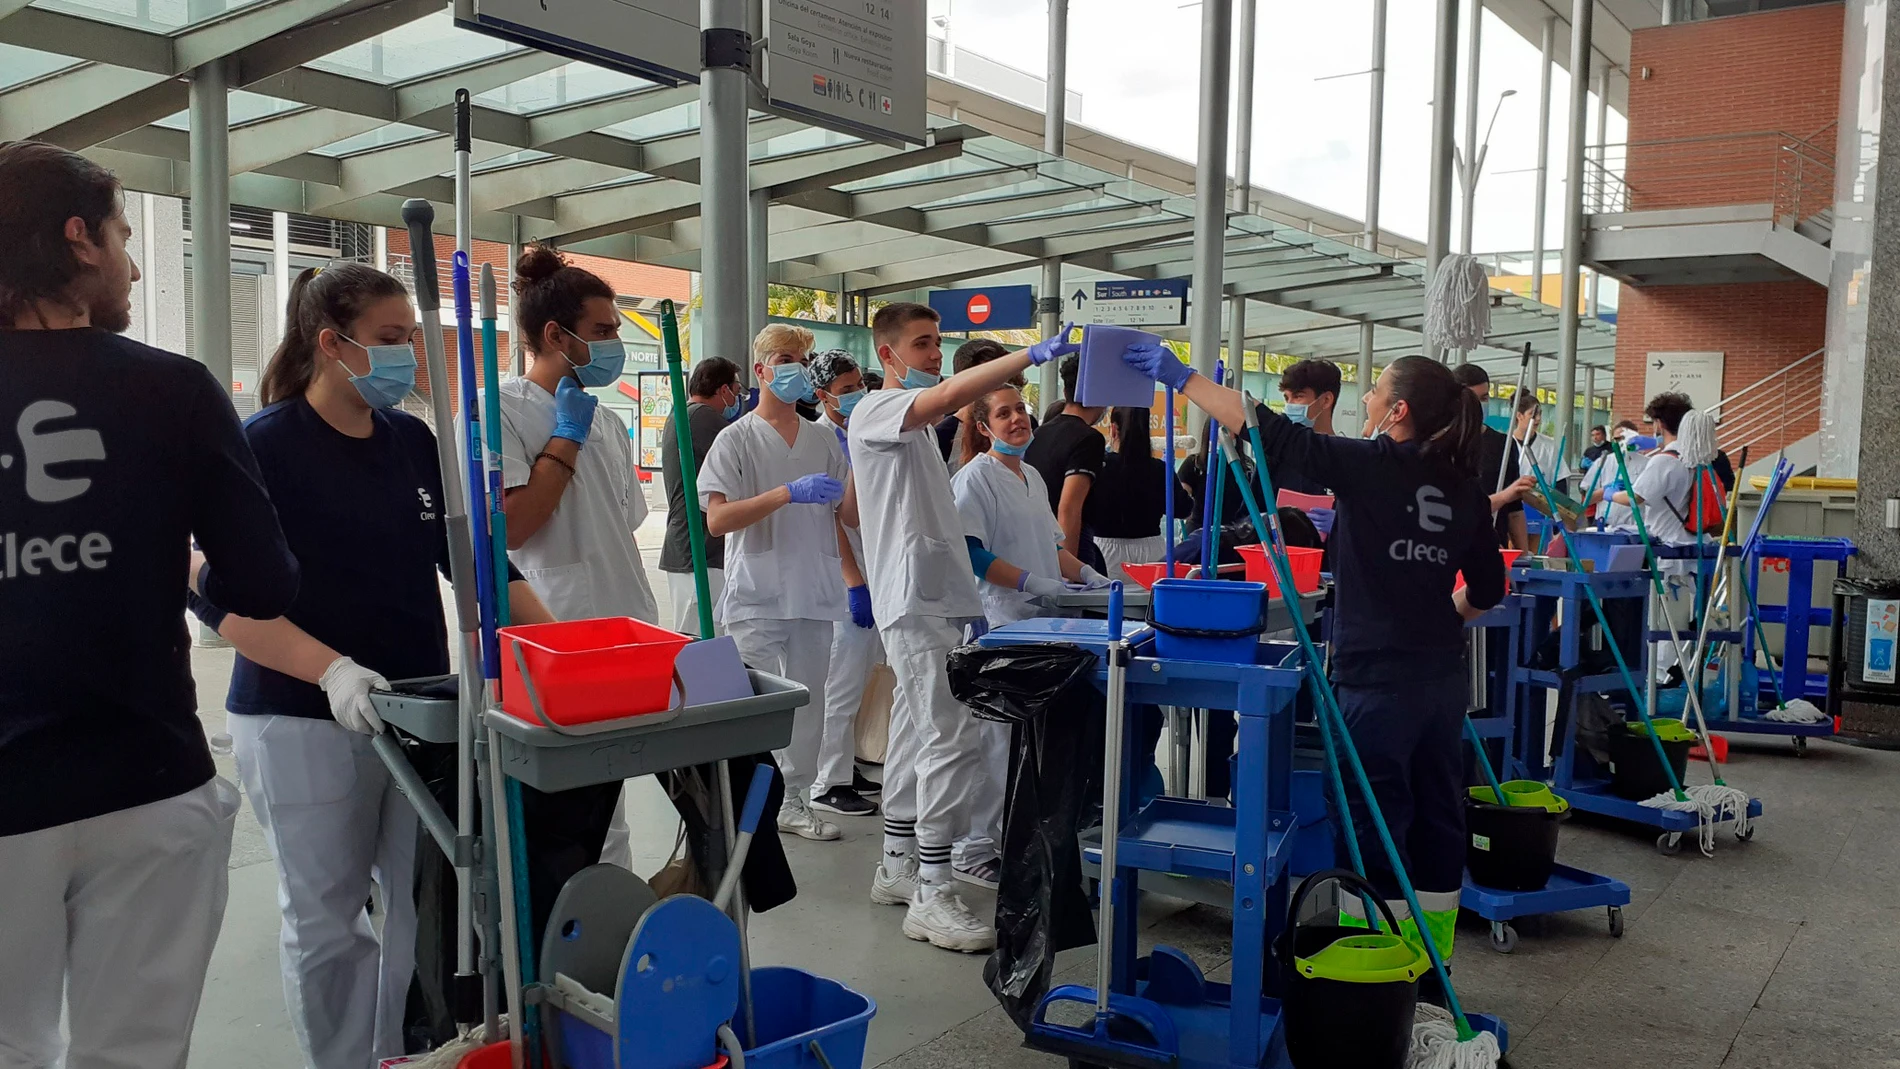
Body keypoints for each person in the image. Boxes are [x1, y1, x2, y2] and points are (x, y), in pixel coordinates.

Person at [187, 264, 562, 1069]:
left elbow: (473, 564)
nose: (408, 355)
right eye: (391, 340)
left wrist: (560, 644)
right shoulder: (266, 446)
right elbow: (220, 599)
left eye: (410, 338)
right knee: (327, 918)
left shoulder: (413, 441)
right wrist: (331, 671)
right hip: (302, 715)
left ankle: (396, 1054)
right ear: (332, 344)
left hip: (422, 711)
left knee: (421, 910)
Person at [0, 141, 300, 1069]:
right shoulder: (169, 389)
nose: (132, 262)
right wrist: (171, 559)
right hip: (144, 780)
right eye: (125, 235)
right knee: (131, 1055)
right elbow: (263, 586)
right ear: (79, 238)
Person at [1123, 342, 1505, 973]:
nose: (1370, 399)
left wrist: (1180, 374)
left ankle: (1380, 963)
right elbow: (1489, 589)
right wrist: (1442, 613)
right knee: (1438, 810)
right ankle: (1429, 963)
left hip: (1373, 680)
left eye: (1377, 389)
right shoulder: (1464, 488)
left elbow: (1262, 427)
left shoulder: (1371, 464)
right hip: (1440, 681)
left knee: (1371, 815)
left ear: (1398, 409)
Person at [844, 303, 1077, 952]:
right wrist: (1029, 356)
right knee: (952, 739)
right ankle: (933, 892)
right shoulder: (876, 409)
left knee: (922, 733)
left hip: (935, 600)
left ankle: (898, 864)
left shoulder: (919, 432)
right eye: (920, 345)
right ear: (886, 354)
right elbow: (948, 396)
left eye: (936, 343)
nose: (932, 355)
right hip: (914, 602)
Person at [496, 245, 660, 871]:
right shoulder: (501, 409)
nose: (615, 343)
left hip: (624, 625)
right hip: (551, 627)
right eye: (603, 331)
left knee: (609, 802)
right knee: (561, 805)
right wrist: (564, 436)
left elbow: (623, 525)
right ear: (554, 335)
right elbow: (512, 527)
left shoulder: (612, 425)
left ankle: (603, 929)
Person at [700, 323, 859, 841]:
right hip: (758, 595)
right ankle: (747, 801)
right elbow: (718, 520)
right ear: (763, 368)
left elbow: (848, 514)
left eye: (802, 358)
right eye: (786, 358)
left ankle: (794, 798)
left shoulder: (822, 438)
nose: (796, 366)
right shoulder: (736, 438)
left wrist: (864, 457)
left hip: (814, 590)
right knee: (753, 703)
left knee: (807, 704)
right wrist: (785, 494)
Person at [952, 385, 1110, 887]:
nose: (1018, 419)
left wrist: (1087, 576)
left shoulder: (1033, 476)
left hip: (1041, 621)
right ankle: (973, 847)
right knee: (995, 739)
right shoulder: (975, 479)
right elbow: (971, 553)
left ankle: (1010, 838)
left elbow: (1051, 544)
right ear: (982, 426)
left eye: (1021, 409)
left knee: (1027, 741)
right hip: (1000, 620)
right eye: (1004, 413)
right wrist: (1028, 581)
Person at [809, 349, 885, 817]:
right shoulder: (822, 440)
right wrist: (854, 581)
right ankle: (827, 780)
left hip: (867, 565)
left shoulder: (854, 433)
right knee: (840, 683)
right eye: (847, 389)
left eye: (859, 384)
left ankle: (843, 765)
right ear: (823, 396)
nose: (858, 394)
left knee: (856, 681)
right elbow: (834, 518)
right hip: (843, 576)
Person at [660, 356, 742, 633]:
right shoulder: (705, 418)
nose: (739, 397)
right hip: (700, 551)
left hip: (689, 549)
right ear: (724, 390)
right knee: (703, 645)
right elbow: (742, 468)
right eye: (737, 390)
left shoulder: (684, 414)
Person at [1024, 353, 1108, 569]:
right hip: (1071, 544)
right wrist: (1067, 572)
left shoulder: (1040, 433)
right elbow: (1069, 507)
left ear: (1065, 390)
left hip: (1034, 540)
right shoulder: (1089, 439)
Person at [1451, 362, 1532, 551]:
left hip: (1493, 546)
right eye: (1473, 398)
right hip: (1453, 548)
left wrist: (1524, 555)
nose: (1479, 405)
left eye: (1484, 397)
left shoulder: (1503, 444)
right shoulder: (1441, 444)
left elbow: (1514, 511)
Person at [1086, 405, 1170, 578]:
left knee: (1106, 603)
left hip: (1105, 551)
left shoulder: (1098, 465)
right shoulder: (1159, 469)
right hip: (1153, 552)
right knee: (1150, 604)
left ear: (1114, 429)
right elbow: (1183, 507)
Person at [935, 338, 1013, 473]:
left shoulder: (1021, 424)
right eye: (987, 379)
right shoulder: (943, 435)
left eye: (1003, 377)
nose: (998, 386)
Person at [1274, 359, 1342, 511]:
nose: (1289, 406)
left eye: (1298, 397)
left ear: (1326, 400)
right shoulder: (1277, 456)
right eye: (1286, 398)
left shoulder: (1344, 458)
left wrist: (1339, 523)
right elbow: (1248, 515)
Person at [1510, 392, 1571, 489]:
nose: (1538, 418)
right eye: (1532, 414)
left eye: (1540, 413)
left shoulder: (1548, 445)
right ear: (1519, 415)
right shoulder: (1505, 444)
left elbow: (1560, 481)